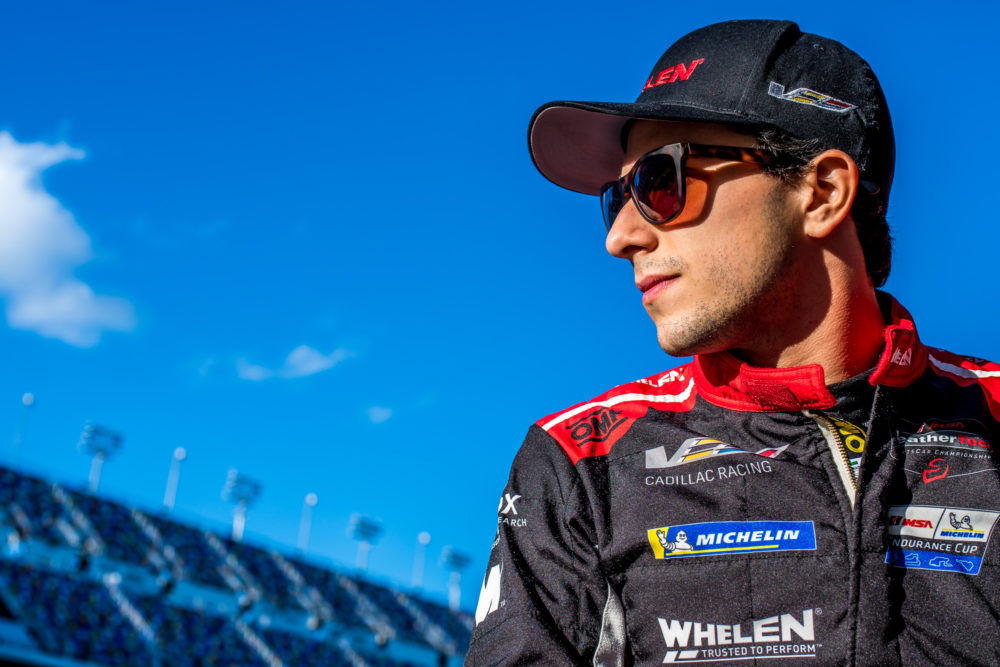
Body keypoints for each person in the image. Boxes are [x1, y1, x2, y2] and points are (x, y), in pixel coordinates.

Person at [465, 19, 1000, 666]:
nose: (620, 237)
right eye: (616, 199)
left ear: (822, 192)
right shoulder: (582, 460)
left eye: (660, 181)